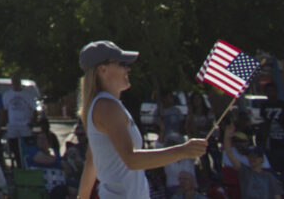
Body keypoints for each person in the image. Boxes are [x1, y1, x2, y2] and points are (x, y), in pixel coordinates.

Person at [76, 40, 207, 199]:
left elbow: (91, 161)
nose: (128, 68)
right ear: (102, 69)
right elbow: (131, 160)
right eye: (122, 64)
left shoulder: (105, 105)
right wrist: (183, 151)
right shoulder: (106, 107)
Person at [223, 122, 283, 199]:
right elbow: (229, 153)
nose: (252, 159)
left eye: (255, 156)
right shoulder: (244, 171)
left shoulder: (269, 177)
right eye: (250, 156)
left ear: (261, 160)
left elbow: (277, 196)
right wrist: (227, 136)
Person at [5, 74, 38, 168]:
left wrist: (32, 122)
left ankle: (27, 165)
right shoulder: (7, 95)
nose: (15, 82)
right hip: (13, 126)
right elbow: (5, 111)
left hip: (25, 125)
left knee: (27, 147)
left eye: (17, 80)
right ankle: (17, 166)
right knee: (14, 148)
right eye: (13, 81)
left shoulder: (27, 95)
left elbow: (34, 110)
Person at [28, 128, 71, 199]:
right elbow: (49, 160)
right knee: (61, 192)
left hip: (59, 183)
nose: (41, 141)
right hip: (43, 184)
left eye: (43, 139)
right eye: (39, 139)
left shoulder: (54, 151)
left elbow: (67, 169)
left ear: (49, 141)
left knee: (73, 187)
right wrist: (57, 160)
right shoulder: (34, 152)